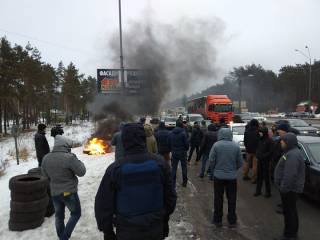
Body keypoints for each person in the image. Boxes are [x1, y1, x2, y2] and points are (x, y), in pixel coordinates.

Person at [94, 123, 177, 240]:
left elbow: (103, 204)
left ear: (124, 141)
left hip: (127, 230)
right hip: (155, 227)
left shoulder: (115, 169)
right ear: (143, 139)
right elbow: (171, 197)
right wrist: (163, 217)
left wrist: (107, 231)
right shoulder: (160, 163)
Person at [42, 135, 86, 240]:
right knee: (76, 214)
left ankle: (61, 236)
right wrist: (77, 160)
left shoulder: (46, 158)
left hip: (55, 193)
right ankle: (64, 238)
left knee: (59, 216)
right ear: (65, 146)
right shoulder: (69, 157)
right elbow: (82, 172)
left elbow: (45, 176)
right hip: (69, 192)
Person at [209, 128, 243, 228]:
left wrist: (215, 169)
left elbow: (211, 160)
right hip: (232, 177)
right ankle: (232, 220)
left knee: (218, 198)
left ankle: (217, 220)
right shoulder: (236, 146)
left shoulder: (216, 145)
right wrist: (233, 169)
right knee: (232, 199)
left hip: (218, 176)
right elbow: (240, 162)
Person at [274, 133, 305, 240]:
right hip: (289, 189)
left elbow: (290, 175)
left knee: (290, 213)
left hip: (290, 190)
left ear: (288, 143)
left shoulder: (293, 155)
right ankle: (290, 234)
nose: (281, 143)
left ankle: (289, 235)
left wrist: (283, 188)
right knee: (290, 212)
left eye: (283, 141)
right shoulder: (290, 152)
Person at [169, 119, 189, 188]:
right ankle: (184, 183)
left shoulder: (171, 133)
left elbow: (168, 142)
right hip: (182, 153)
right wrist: (186, 149)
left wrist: (171, 149)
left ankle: (173, 183)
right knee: (184, 167)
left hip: (174, 152)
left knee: (174, 168)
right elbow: (186, 144)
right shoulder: (183, 133)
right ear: (181, 125)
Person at [254, 127, 273, 198]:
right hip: (260, 160)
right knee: (259, 176)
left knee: (266, 177)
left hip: (266, 161)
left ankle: (268, 192)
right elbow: (258, 148)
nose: (259, 133)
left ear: (264, 133)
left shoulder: (269, 141)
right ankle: (258, 191)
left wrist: (264, 156)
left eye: (260, 132)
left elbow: (271, 151)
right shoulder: (260, 140)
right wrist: (257, 154)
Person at [243, 119, 260, 183]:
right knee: (255, 165)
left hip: (248, 149)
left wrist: (247, 147)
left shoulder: (247, 131)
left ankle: (245, 175)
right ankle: (254, 178)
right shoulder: (258, 131)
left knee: (247, 162)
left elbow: (245, 141)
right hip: (256, 150)